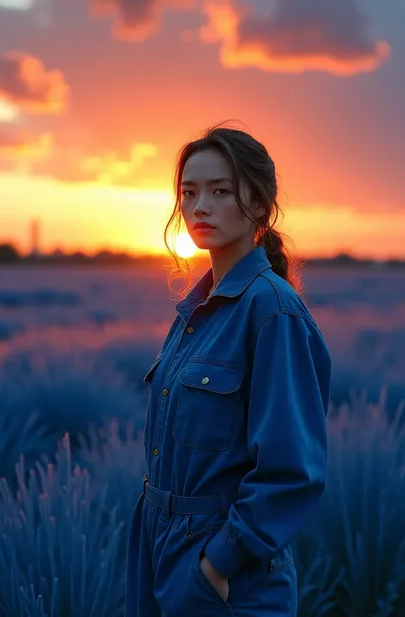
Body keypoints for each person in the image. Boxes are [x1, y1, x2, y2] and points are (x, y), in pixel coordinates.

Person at [125, 124, 331, 616]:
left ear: (259, 204)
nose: (200, 207)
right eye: (189, 193)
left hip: (226, 571)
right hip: (158, 550)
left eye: (220, 190)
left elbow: (292, 470)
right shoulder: (196, 312)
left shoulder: (272, 311)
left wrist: (218, 563)